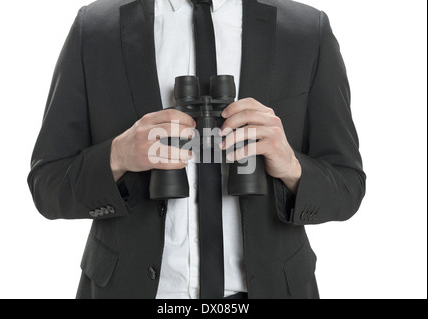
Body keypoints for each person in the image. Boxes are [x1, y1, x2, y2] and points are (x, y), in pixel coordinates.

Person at [28, 0, 366, 299]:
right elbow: (48, 184)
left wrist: (291, 167)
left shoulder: (305, 31)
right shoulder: (97, 28)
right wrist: (118, 156)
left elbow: (348, 187)